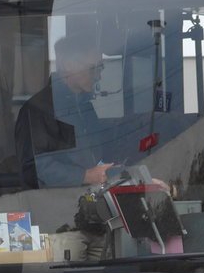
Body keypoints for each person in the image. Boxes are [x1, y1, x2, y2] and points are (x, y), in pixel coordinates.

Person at [15, 36, 123, 189]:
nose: (98, 76)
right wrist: (85, 176)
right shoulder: (39, 110)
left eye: (101, 68)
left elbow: (93, 155)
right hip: (58, 201)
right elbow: (33, 169)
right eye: (93, 69)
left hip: (89, 195)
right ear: (69, 65)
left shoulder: (84, 106)